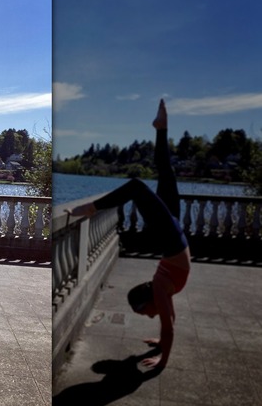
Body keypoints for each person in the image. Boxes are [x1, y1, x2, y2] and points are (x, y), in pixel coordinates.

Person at [68, 99, 190, 369]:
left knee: (137, 187)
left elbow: (169, 326)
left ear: (148, 300)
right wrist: (160, 341)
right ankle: (161, 128)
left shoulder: (160, 289)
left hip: (172, 239)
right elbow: (169, 322)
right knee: (166, 173)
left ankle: (92, 207)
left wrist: (161, 360)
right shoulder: (162, 290)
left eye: (144, 312)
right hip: (174, 237)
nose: (148, 316)